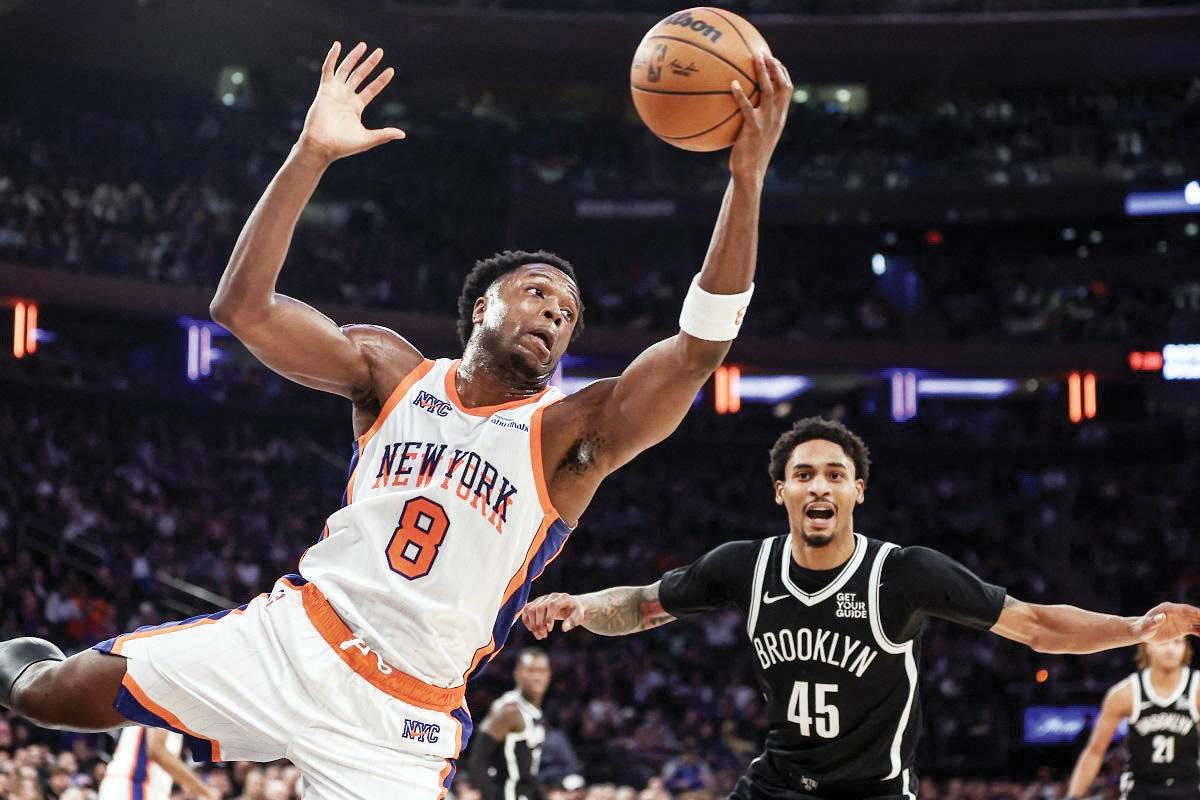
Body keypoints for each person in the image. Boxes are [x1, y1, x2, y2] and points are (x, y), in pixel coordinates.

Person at [0, 38, 793, 800]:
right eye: (540, 291)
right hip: (293, 638)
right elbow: (241, 309)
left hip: (399, 718)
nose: (556, 311)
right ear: (484, 304)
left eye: (570, 313)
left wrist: (747, 179)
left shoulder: (569, 434)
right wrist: (309, 154)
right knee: (51, 693)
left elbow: (696, 350)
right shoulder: (390, 370)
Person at [522, 416, 1200, 800]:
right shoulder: (745, 565)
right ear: (781, 492)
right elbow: (644, 605)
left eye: (836, 475)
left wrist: (1134, 627)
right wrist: (579, 605)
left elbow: (1037, 625)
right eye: (805, 475)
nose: (820, 485)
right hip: (778, 784)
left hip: (871, 794)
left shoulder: (902, 574)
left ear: (858, 493)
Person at [1066, 639, 1199, 800]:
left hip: (1188, 785)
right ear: (1146, 646)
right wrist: (1074, 796)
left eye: (1178, 643)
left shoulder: (1197, 688)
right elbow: (1095, 751)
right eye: (1164, 642)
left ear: (1186, 648)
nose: (1171, 649)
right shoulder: (1124, 693)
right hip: (1140, 788)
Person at [468, 648, 553, 800]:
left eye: (542, 671)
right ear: (517, 673)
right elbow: (477, 761)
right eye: (531, 671)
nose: (537, 677)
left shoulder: (533, 711)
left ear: (549, 675)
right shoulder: (509, 710)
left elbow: (527, 772)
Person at [97, 725, 218, 800]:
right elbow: (156, 750)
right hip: (135, 786)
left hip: (148, 789)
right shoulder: (168, 699)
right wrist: (204, 790)